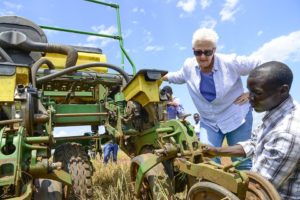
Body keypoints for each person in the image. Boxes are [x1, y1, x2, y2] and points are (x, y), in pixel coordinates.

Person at [162, 28, 261, 170]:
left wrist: (251, 92)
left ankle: (247, 191)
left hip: (236, 117)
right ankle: (216, 191)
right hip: (209, 122)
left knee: (242, 162)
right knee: (208, 160)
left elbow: (261, 64)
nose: (202, 56)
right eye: (198, 52)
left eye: (207, 52)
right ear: (193, 50)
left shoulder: (230, 62)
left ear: (214, 50)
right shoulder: (189, 66)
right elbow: (177, 76)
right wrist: (157, 77)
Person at [202, 61, 300, 200]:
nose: (250, 98)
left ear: (283, 90)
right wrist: (216, 151)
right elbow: (255, 144)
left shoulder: (287, 133)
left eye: (257, 93)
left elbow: (257, 189)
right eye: (250, 91)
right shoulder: (276, 112)